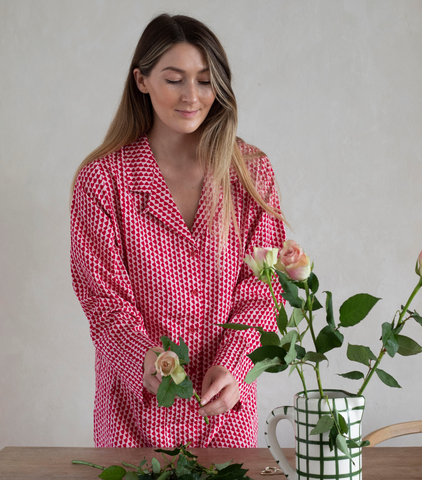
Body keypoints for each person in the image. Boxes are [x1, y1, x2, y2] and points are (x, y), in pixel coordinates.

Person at [70, 13, 287, 448]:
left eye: (205, 81)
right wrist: (143, 358)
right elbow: (102, 298)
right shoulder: (103, 180)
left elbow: (264, 289)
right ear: (142, 81)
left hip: (225, 413)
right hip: (133, 415)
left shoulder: (249, 173)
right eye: (174, 79)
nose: (192, 96)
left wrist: (235, 364)